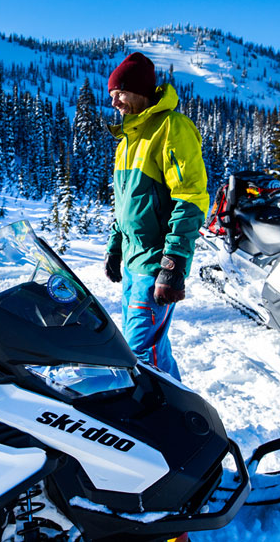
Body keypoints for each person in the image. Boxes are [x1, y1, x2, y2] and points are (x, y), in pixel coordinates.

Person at [103, 52, 209, 382]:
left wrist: (174, 263)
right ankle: (183, 415)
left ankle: (151, 426)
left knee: (137, 357)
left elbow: (191, 198)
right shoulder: (128, 140)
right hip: (135, 265)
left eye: (119, 93)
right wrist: (115, 246)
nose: (115, 102)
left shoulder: (171, 128)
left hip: (155, 266)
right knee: (153, 351)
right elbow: (126, 204)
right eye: (111, 96)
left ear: (139, 90)